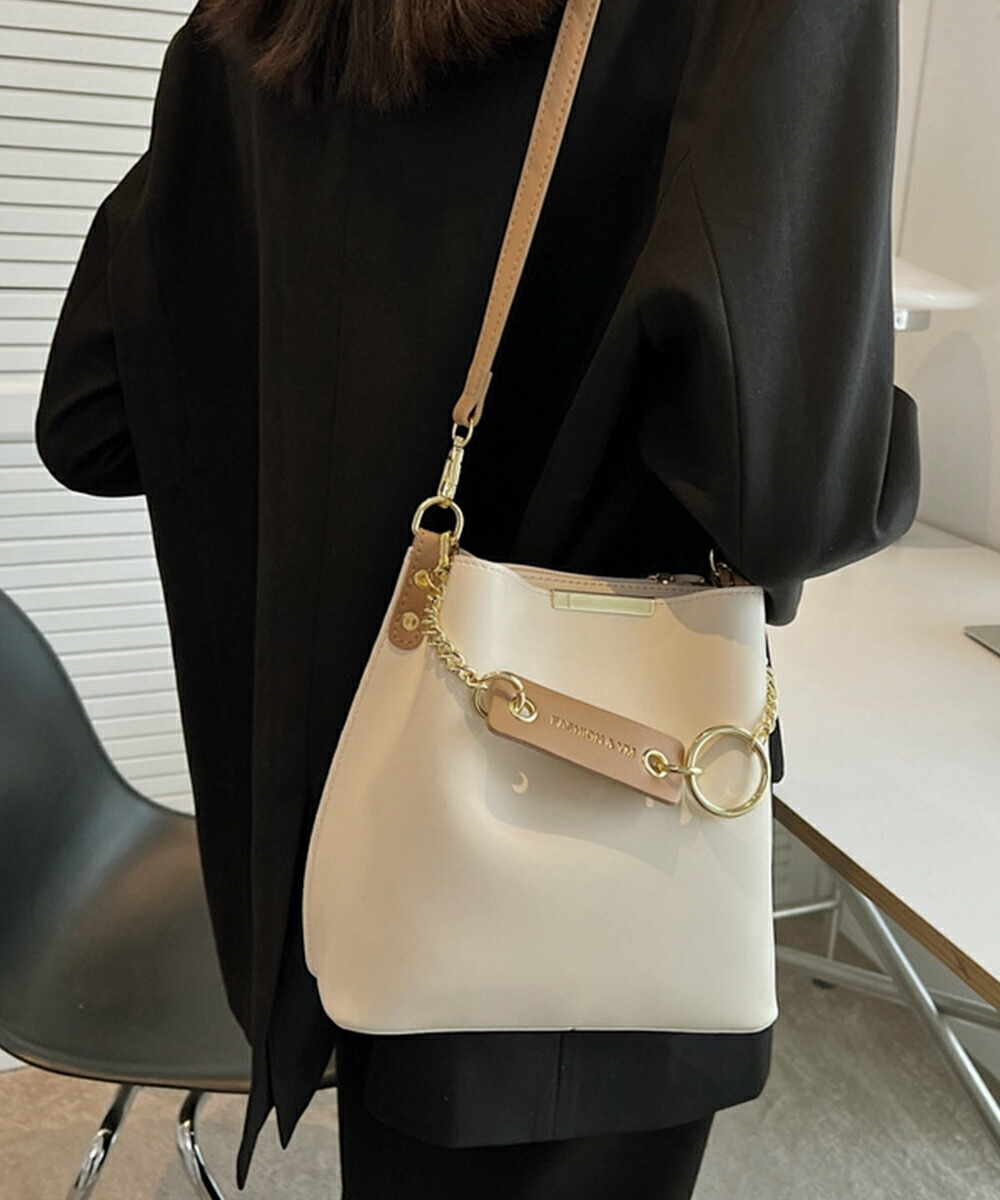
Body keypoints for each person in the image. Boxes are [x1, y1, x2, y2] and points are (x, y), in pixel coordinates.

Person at [34, 0, 919, 1195]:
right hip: (597, 841)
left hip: (326, 858)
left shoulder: (241, 26)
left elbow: (90, 420)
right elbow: (787, 499)